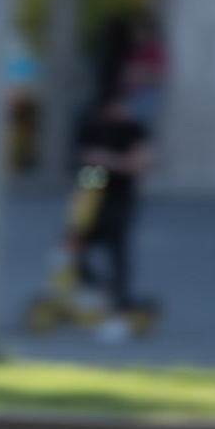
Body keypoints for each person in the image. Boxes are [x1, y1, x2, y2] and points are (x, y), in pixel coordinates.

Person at [71, 82, 154, 338]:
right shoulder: (93, 128)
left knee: (118, 254)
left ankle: (121, 305)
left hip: (120, 199)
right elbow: (87, 166)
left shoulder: (133, 130)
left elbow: (138, 164)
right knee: (75, 249)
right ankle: (96, 294)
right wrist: (85, 199)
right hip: (94, 198)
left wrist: (107, 160)